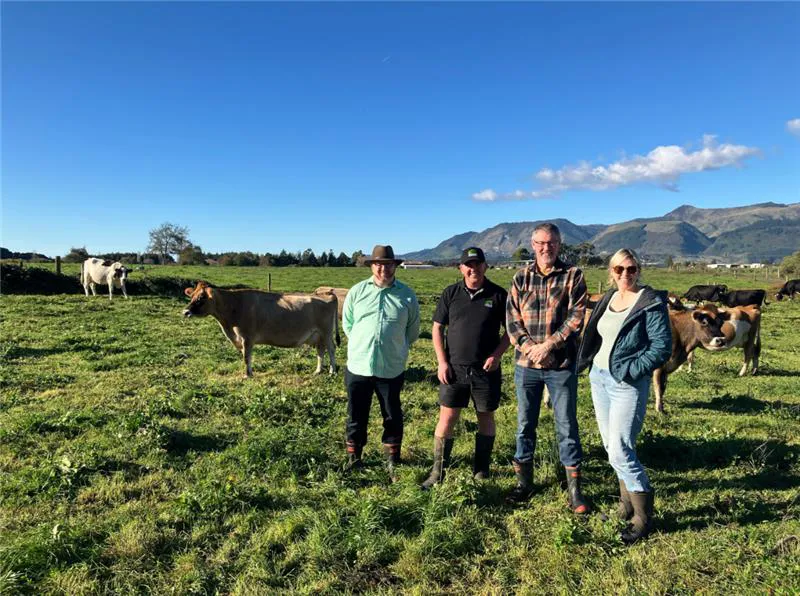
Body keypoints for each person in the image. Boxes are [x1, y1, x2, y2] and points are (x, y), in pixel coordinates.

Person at [577, 248, 672, 544]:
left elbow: (661, 346)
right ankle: (626, 506)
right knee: (610, 446)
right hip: (599, 378)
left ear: (638, 270)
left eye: (631, 269)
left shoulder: (649, 302)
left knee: (620, 449)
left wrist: (632, 370)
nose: (625, 274)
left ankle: (643, 517)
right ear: (611, 271)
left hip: (626, 383)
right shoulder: (609, 298)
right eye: (619, 269)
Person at [505, 223, 589, 512]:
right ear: (533, 245)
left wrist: (549, 346)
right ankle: (524, 484)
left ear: (559, 244)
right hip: (526, 364)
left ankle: (574, 490)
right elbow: (512, 320)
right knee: (524, 424)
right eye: (540, 243)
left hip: (560, 364)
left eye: (551, 243)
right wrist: (531, 348)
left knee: (566, 424)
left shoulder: (573, 275)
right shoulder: (520, 277)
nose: (546, 248)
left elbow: (576, 316)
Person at [421, 247, 511, 489]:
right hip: (454, 369)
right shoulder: (450, 293)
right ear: (461, 268)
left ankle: (481, 470)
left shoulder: (498, 295)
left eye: (478, 264)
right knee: (447, 418)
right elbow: (437, 328)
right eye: (468, 265)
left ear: (485, 266)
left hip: (486, 370)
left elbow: (510, 332)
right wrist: (442, 362)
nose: (474, 269)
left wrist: (497, 355)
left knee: (486, 416)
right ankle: (437, 473)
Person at [342, 244, 420, 479]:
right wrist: (363, 344)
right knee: (356, 413)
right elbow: (348, 325)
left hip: (391, 366)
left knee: (392, 413)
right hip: (359, 364)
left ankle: (392, 460)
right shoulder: (357, 292)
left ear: (395, 266)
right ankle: (354, 458)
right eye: (378, 264)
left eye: (388, 264)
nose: (383, 268)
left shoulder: (407, 295)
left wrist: (393, 347)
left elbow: (412, 332)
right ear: (371, 266)